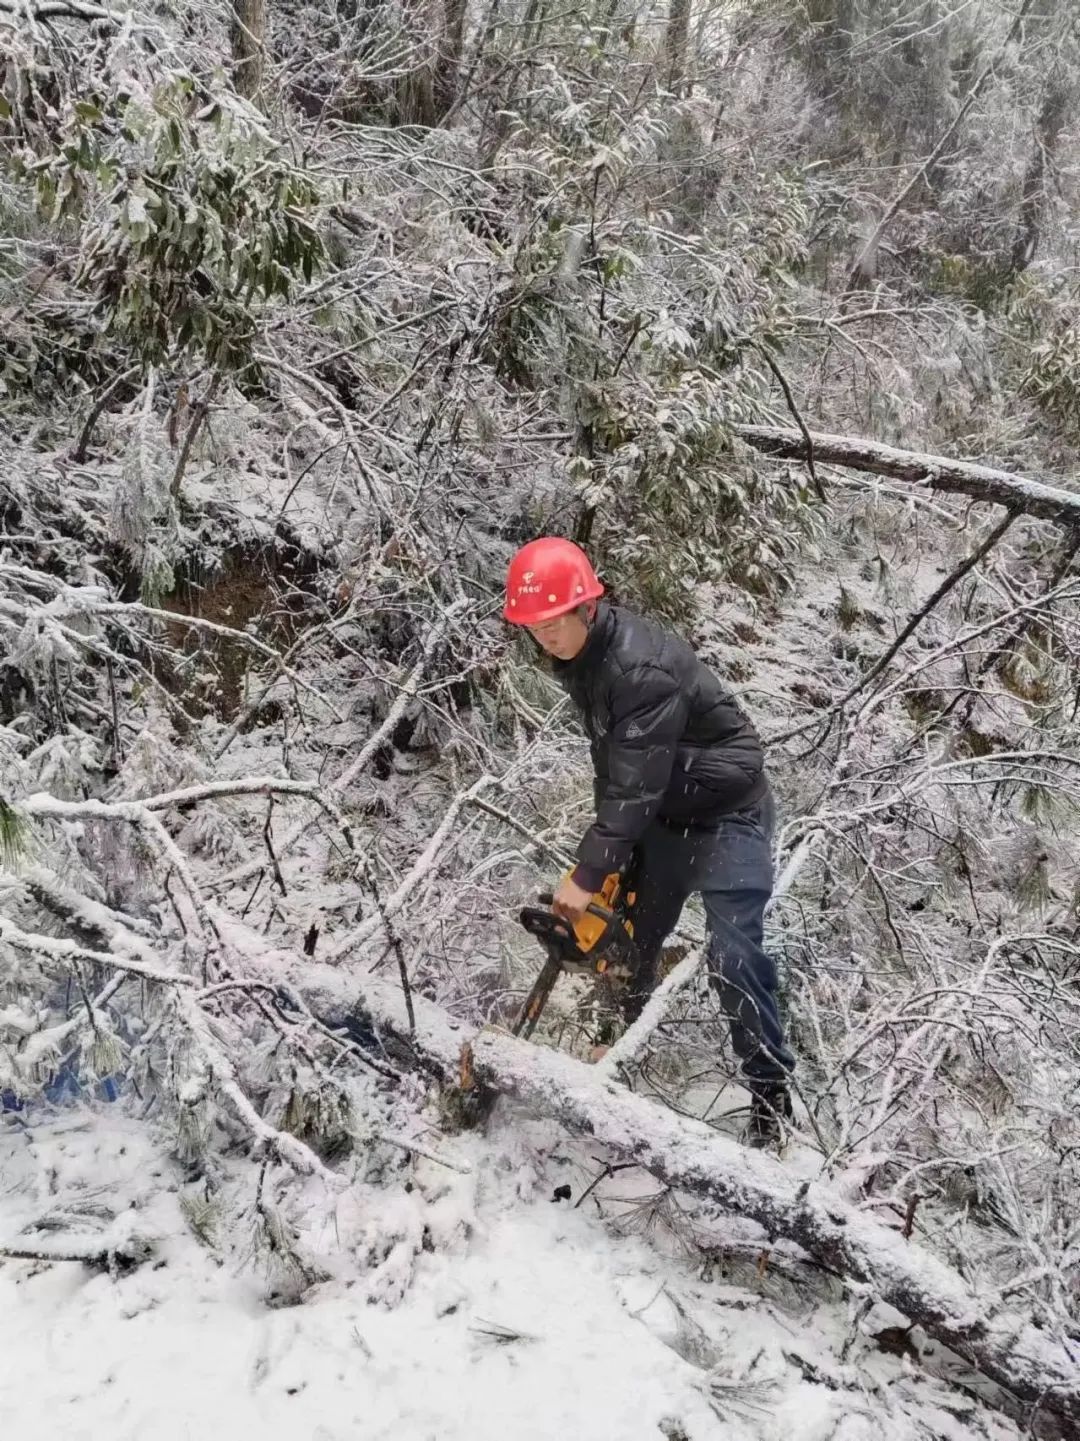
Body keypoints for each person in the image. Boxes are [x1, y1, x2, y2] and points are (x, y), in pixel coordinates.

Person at [504, 535, 794, 1147]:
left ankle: (770, 1097)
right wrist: (608, 863)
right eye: (533, 627)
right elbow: (615, 768)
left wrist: (587, 873)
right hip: (667, 811)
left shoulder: (638, 667)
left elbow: (634, 786)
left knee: (734, 954)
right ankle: (614, 1052)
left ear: (587, 607)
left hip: (727, 814)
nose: (545, 637)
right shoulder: (584, 660)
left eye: (553, 622)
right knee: (629, 940)